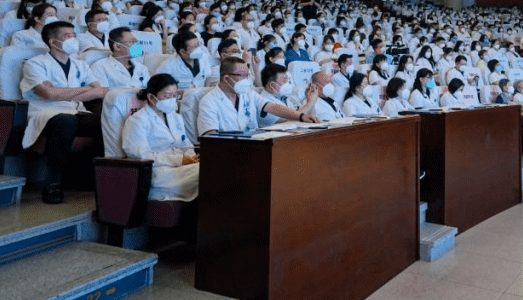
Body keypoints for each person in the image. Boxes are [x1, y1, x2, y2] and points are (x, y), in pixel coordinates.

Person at [20, 21, 106, 203]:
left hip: (76, 110)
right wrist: (82, 90)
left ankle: (89, 177)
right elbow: (48, 94)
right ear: (53, 42)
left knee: (107, 120)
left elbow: (100, 91)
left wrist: (62, 92)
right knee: (66, 121)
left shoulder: (80, 65)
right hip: (46, 113)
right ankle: (53, 183)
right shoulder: (35, 64)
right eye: (68, 36)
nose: (73, 39)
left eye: (74, 35)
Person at [121, 73, 199, 202]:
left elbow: (186, 145)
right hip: (159, 172)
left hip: (182, 167)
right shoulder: (137, 121)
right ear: (151, 97)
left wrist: (191, 157)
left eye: (175, 96)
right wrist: (179, 160)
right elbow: (140, 156)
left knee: (210, 168)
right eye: (168, 96)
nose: (172, 100)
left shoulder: (175, 117)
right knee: (206, 173)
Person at [196, 56, 318, 135]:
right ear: (226, 78)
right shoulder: (209, 102)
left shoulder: (248, 93)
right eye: (241, 75)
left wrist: (301, 116)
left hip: (254, 146)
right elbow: (210, 138)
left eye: (247, 75)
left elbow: (272, 107)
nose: (246, 80)